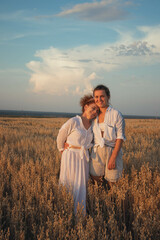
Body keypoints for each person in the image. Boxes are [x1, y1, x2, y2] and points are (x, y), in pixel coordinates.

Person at [57, 95, 99, 214]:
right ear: (85, 107)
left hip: (83, 158)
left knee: (81, 184)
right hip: (70, 156)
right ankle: (65, 211)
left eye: (97, 110)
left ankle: (79, 213)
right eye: (92, 108)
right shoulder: (74, 121)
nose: (94, 112)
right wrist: (62, 149)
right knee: (69, 182)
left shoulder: (93, 125)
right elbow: (61, 135)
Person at [89, 84, 126, 188]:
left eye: (102, 96)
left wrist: (113, 158)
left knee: (113, 182)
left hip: (112, 151)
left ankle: (112, 201)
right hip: (97, 152)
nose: (99, 99)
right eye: (96, 97)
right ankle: (100, 200)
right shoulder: (93, 115)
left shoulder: (116, 114)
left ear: (108, 97)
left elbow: (120, 137)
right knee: (96, 179)